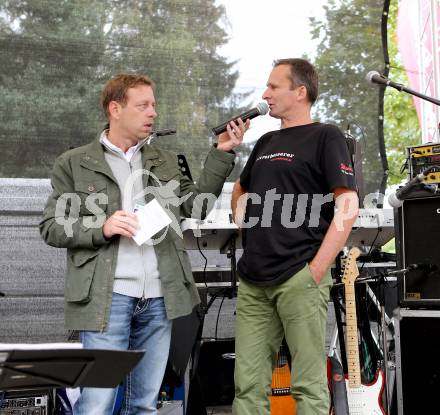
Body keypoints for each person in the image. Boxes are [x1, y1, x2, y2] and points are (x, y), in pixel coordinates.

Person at [40, 74, 248, 415]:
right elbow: (51, 227)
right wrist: (103, 226)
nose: (153, 112)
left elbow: (196, 207)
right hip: (106, 299)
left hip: (159, 298)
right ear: (115, 109)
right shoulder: (74, 162)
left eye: (154, 105)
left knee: (146, 405)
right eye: (143, 105)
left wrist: (222, 153)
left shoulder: (165, 160)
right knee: (96, 405)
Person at [231, 58, 359, 415]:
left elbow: (348, 203)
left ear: (300, 92)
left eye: (274, 86)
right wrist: (248, 224)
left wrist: (317, 269)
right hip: (254, 279)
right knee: (247, 386)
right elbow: (241, 188)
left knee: (308, 386)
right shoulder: (266, 141)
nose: (265, 94)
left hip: (300, 276)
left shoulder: (326, 136)